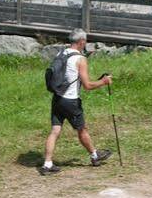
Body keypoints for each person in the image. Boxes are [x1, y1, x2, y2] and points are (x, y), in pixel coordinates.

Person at [40, 29, 113, 175]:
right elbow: (87, 86)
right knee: (82, 129)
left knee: (55, 131)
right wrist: (104, 81)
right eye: (85, 41)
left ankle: (47, 164)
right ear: (81, 42)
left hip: (57, 98)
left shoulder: (61, 53)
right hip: (71, 101)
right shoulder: (80, 59)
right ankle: (94, 155)